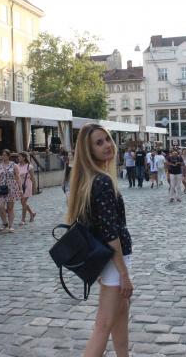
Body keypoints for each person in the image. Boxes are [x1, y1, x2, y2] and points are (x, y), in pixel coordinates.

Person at [65, 123, 133, 357]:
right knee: (103, 326)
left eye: (107, 139)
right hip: (115, 260)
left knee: (121, 314)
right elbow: (109, 233)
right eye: (98, 142)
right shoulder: (102, 181)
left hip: (110, 260)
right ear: (89, 151)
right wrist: (123, 273)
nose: (107, 145)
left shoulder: (90, 179)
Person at [0, 149, 22, 234]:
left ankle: (10, 226)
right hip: (1, 187)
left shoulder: (14, 165)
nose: (3, 157)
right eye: (2, 155)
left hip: (11, 187)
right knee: (0, 206)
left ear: (9, 156)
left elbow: (18, 177)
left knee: (10, 208)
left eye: (5, 155)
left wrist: (20, 189)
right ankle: (5, 223)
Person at [17, 151, 37, 226]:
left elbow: (33, 178)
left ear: (24, 158)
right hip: (20, 185)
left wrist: (34, 188)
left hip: (27, 185)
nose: (18, 158)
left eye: (19, 156)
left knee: (23, 201)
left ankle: (23, 220)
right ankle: (32, 213)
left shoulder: (29, 166)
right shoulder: (17, 166)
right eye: (18, 156)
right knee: (23, 202)